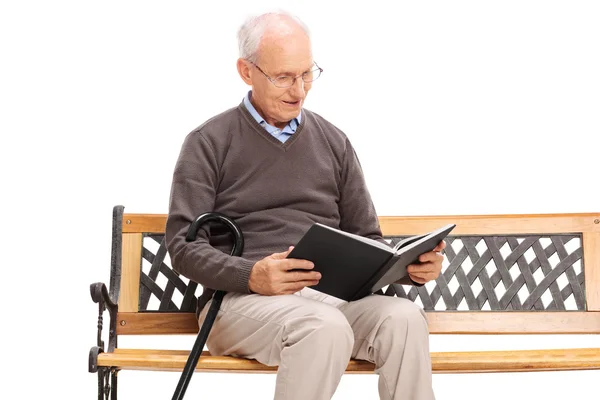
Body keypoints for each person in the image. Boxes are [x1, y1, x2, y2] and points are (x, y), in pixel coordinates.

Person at [165, 10, 445, 400]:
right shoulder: (208, 142)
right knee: (321, 326)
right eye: (283, 77)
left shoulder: (334, 142)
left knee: (405, 318)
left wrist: (408, 269)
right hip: (242, 304)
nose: (299, 90)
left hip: (329, 300)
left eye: (306, 74)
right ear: (247, 72)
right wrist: (252, 275)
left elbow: (367, 239)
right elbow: (183, 248)